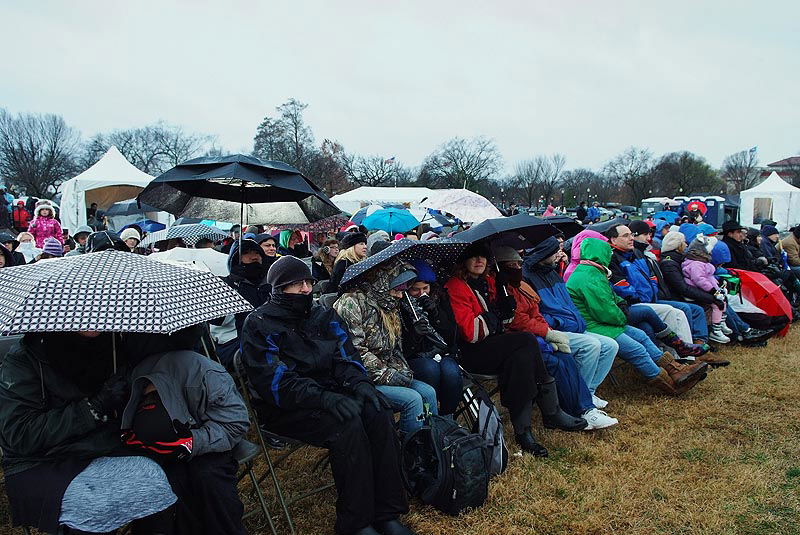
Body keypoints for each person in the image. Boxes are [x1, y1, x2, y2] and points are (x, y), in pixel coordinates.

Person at [242, 256, 415, 535]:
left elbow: (346, 356)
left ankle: (387, 511)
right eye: (295, 284)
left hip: (331, 392)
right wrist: (323, 398)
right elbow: (274, 382)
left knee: (378, 413)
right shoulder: (259, 324)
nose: (305, 289)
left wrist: (361, 384)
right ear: (277, 289)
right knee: (346, 427)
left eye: (307, 282)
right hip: (286, 408)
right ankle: (356, 522)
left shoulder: (323, 314)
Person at [0, 332, 176, 534]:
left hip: (98, 447)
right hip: (42, 460)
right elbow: (21, 434)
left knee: (156, 479)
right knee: (95, 505)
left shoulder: (109, 344)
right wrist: (93, 407)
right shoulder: (25, 359)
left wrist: (136, 388)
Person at [445, 243, 586, 458]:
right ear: (463, 262)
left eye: (483, 257)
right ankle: (551, 411)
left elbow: (505, 322)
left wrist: (503, 299)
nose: (479, 261)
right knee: (525, 341)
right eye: (473, 257)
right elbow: (471, 333)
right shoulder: (457, 286)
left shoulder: (486, 283)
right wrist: (495, 315)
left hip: (492, 346)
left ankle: (524, 432)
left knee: (520, 359)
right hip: (470, 353)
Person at [120, 335, 249, 535]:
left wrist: (192, 442)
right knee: (163, 485)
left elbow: (235, 423)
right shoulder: (128, 381)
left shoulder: (203, 372)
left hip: (210, 443)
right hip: (158, 453)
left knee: (209, 478)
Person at [494, 246, 617, 429]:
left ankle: (584, 405)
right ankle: (571, 410)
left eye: (518, 263)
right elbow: (518, 320)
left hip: (542, 333)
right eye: (510, 264)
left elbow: (537, 314)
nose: (516, 267)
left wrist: (549, 332)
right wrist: (549, 332)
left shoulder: (523, 285)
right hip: (523, 339)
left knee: (576, 353)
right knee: (560, 359)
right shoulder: (500, 288)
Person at [566, 237, 708, 395]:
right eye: (608, 251)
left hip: (604, 324)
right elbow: (605, 312)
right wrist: (623, 316)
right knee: (637, 350)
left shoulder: (593, 272)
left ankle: (676, 369)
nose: (610, 254)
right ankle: (671, 386)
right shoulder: (589, 277)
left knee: (641, 335)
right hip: (596, 327)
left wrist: (621, 306)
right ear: (600, 253)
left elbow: (612, 298)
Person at [334, 260, 438, 435]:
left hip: (388, 373)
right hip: (361, 379)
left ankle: (432, 441)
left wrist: (414, 336)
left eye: (403, 289)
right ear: (382, 282)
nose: (400, 295)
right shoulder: (351, 302)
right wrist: (388, 374)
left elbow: (394, 349)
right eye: (397, 288)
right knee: (412, 400)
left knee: (428, 393)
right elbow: (353, 351)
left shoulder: (389, 304)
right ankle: (411, 453)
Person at [522, 237, 619, 409]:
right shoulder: (527, 277)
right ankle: (575, 396)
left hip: (572, 326)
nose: (560, 253)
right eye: (555, 250)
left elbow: (567, 304)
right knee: (591, 346)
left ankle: (587, 392)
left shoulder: (552, 273)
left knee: (611, 346)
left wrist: (576, 321)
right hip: (553, 330)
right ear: (545, 252)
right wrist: (560, 322)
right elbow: (537, 313)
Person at [605, 223, 710, 351]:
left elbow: (652, 276)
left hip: (650, 299)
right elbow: (620, 285)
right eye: (626, 236)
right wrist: (638, 297)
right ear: (613, 239)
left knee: (683, 310)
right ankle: (681, 355)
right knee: (673, 312)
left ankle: (689, 352)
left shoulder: (636, 253)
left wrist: (652, 291)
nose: (631, 238)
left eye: (631, 235)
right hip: (633, 303)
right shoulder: (612, 258)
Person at [399, 259, 462, 417]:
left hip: (441, 351)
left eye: (425, 288)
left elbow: (452, 335)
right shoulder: (401, 306)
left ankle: (448, 417)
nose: (422, 294)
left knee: (451, 372)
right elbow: (402, 347)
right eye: (415, 290)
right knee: (430, 370)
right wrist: (414, 334)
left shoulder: (439, 298)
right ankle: (429, 415)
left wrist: (436, 315)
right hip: (416, 357)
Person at [217, 238, 270, 366]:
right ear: (236, 259)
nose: (254, 257)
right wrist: (230, 283)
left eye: (257, 253)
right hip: (234, 344)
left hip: (266, 336)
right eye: (246, 253)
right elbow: (217, 321)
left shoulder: (267, 284)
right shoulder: (224, 285)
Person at [681, 236, 730, 344]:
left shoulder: (702, 261)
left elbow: (708, 278)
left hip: (706, 288)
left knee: (724, 301)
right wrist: (714, 291)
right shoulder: (696, 264)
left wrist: (718, 288)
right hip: (699, 289)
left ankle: (721, 322)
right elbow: (699, 279)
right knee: (717, 305)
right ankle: (716, 329)